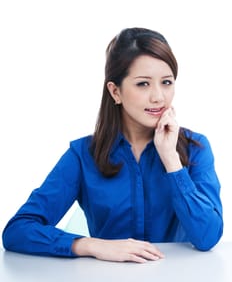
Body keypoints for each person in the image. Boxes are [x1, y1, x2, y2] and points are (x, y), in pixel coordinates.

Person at [2, 27, 223, 263]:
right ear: (115, 91)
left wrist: (171, 160)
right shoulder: (83, 155)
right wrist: (91, 245)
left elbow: (207, 237)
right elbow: (18, 231)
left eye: (166, 82)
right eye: (143, 84)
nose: (159, 97)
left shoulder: (195, 148)